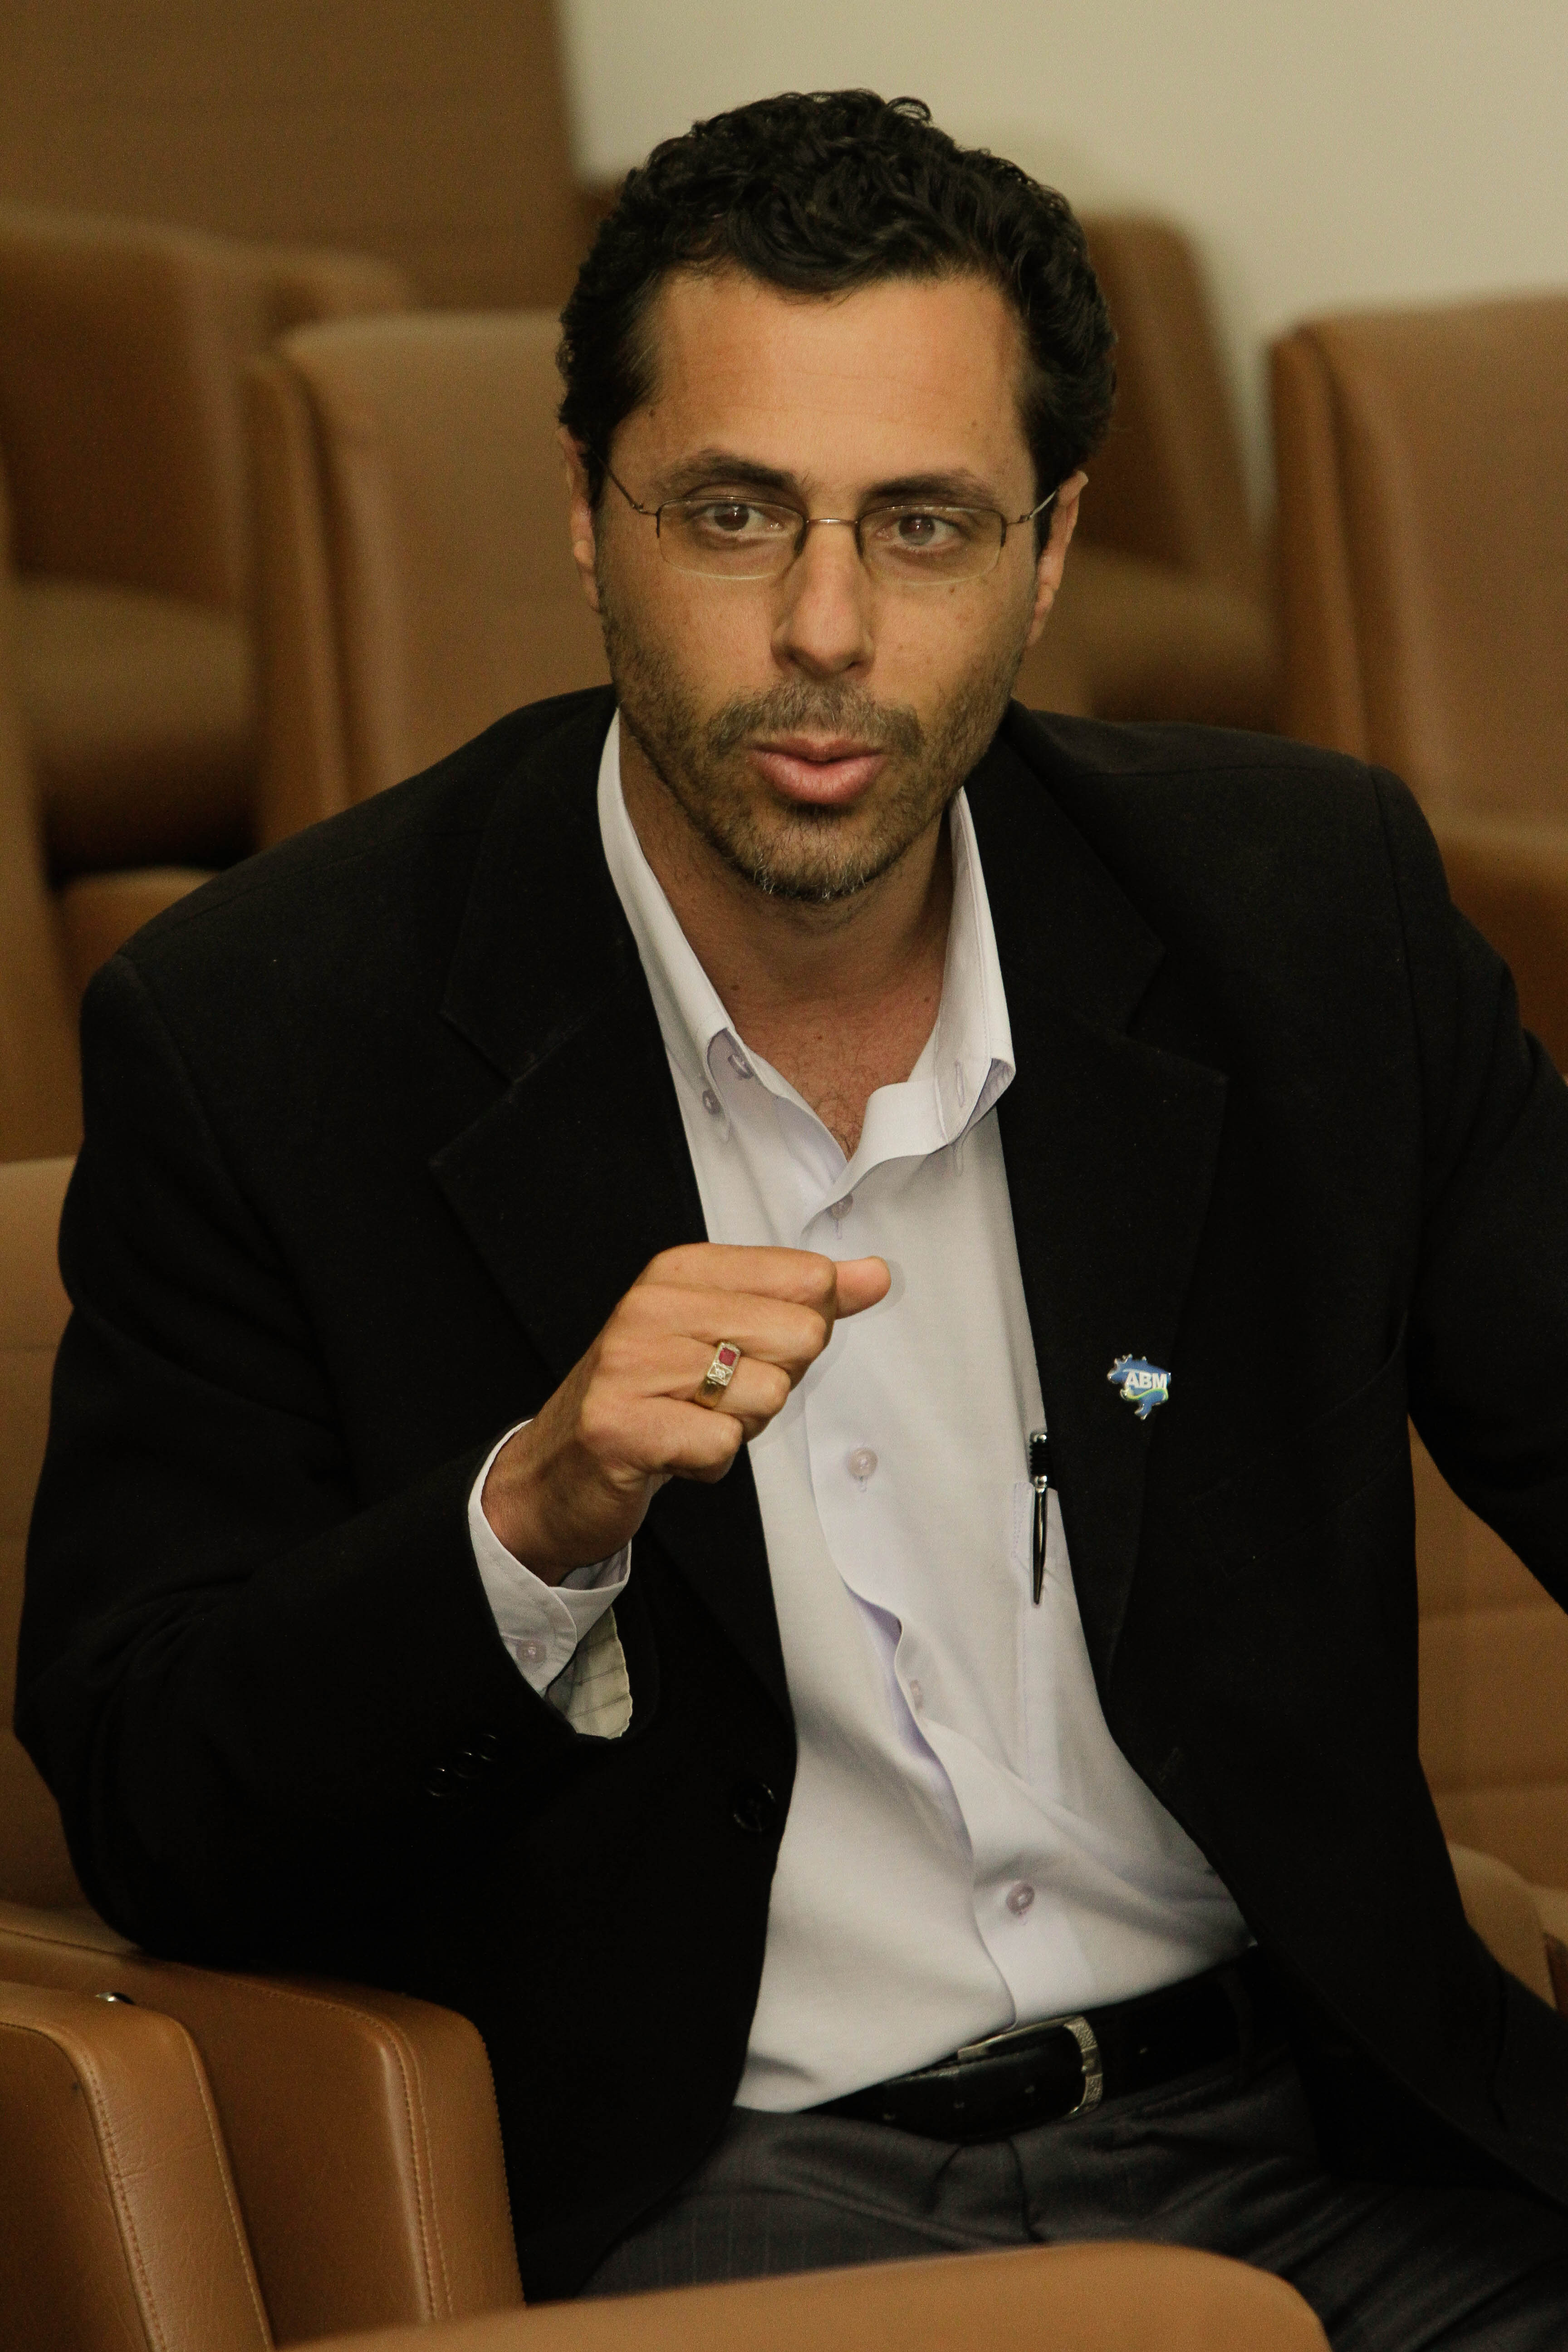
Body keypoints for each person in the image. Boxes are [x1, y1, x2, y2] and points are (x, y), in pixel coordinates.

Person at [17, 88, 1568, 2347]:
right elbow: (155, 1793)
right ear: (588, 514)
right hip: (730, 2200)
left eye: (924, 528)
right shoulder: (269, 1032)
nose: (824, 627)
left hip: (1318, 2150)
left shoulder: (1301, 916)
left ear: (1052, 550)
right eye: (734, 514)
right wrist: (529, 1524)